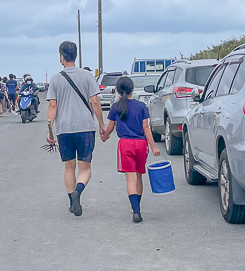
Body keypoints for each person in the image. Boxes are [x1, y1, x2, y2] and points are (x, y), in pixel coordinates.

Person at [46, 41, 104, 216]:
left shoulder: (56, 79)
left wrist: (49, 132)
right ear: (76, 56)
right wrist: (101, 124)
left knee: (68, 167)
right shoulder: (87, 76)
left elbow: (52, 107)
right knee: (85, 168)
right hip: (85, 127)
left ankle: (73, 201)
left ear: (61, 57)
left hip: (64, 129)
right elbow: (95, 102)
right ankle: (78, 191)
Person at [100, 76, 160, 223]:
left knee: (130, 178)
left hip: (125, 144)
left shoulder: (115, 107)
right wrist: (153, 146)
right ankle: (137, 206)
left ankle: (136, 212)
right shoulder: (141, 106)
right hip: (141, 144)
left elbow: (110, 127)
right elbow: (146, 128)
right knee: (139, 176)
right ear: (132, 89)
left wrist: (104, 137)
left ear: (117, 91)